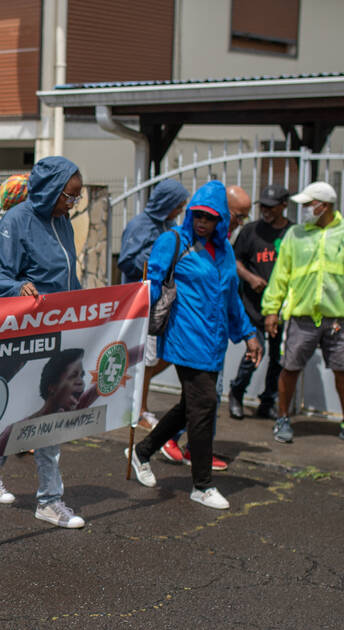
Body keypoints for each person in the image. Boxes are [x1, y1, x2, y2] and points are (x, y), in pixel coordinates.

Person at [128, 180, 261, 509]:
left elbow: (231, 299)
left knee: (191, 406)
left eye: (210, 217)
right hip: (185, 337)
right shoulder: (173, 240)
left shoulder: (226, 250)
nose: (202, 222)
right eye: (197, 215)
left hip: (213, 342)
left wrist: (248, 334)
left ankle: (142, 452)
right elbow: (154, 284)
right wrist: (133, 315)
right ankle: (201, 485)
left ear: (221, 220)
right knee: (203, 407)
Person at [0, 157, 86, 529]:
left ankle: (4, 474)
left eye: (76, 198)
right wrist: (15, 287)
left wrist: (86, 307)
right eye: (68, 197)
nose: (72, 205)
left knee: (45, 411)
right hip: (28, 330)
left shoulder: (63, 222)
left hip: (59, 328)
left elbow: (67, 274)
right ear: (51, 190)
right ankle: (45, 498)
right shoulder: (17, 220)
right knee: (33, 408)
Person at [262, 181, 344, 446]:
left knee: (343, 370)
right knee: (289, 368)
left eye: (307, 204)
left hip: (339, 318)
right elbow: (281, 275)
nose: (303, 209)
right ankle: (282, 418)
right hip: (302, 317)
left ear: (323, 206)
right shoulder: (295, 235)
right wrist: (271, 309)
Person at [117, 179, 190, 432]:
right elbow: (127, 261)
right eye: (177, 205)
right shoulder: (140, 225)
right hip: (144, 300)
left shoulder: (170, 226)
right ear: (166, 203)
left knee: (160, 356)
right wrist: (158, 261)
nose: (179, 211)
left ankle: (136, 392)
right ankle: (140, 410)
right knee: (146, 358)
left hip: (165, 302)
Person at [228, 185, 290, 420]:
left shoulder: (291, 233)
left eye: (271, 207)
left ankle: (267, 401)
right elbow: (234, 260)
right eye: (263, 206)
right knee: (256, 352)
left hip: (283, 308)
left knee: (279, 358)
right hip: (254, 307)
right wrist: (251, 277)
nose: (266, 211)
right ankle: (237, 392)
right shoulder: (251, 231)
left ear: (284, 206)